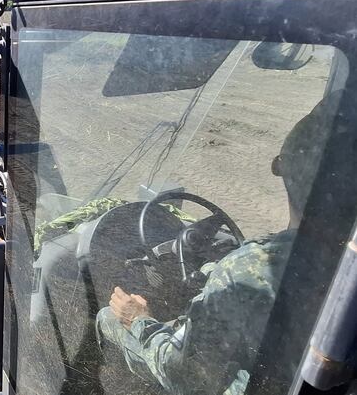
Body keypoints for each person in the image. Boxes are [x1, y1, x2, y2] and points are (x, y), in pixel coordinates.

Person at [95, 98, 331, 395]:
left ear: (286, 169)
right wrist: (214, 271)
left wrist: (139, 320)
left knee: (108, 317)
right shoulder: (333, 260)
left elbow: (189, 379)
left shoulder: (248, 271)